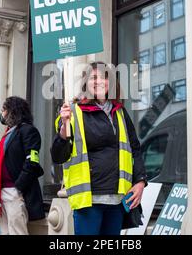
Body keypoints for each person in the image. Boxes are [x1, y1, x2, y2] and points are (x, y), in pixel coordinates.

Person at [51, 62, 147, 235]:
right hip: (88, 201)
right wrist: (64, 130)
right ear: (86, 83)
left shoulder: (120, 113)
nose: (99, 81)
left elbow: (135, 149)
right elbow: (58, 156)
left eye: (104, 77)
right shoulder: (72, 112)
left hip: (117, 200)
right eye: (93, 78)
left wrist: (140, 181)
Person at [0, 96, 45, 235]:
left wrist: (18, 187)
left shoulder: (28, 131)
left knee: (17, 232)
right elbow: (6, 162)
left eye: (4, 109)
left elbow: (32, 162)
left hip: (15, 192)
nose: (2, 113)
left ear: (13, 111)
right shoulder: (8, 134)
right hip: (1, 193)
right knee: (5, 232)